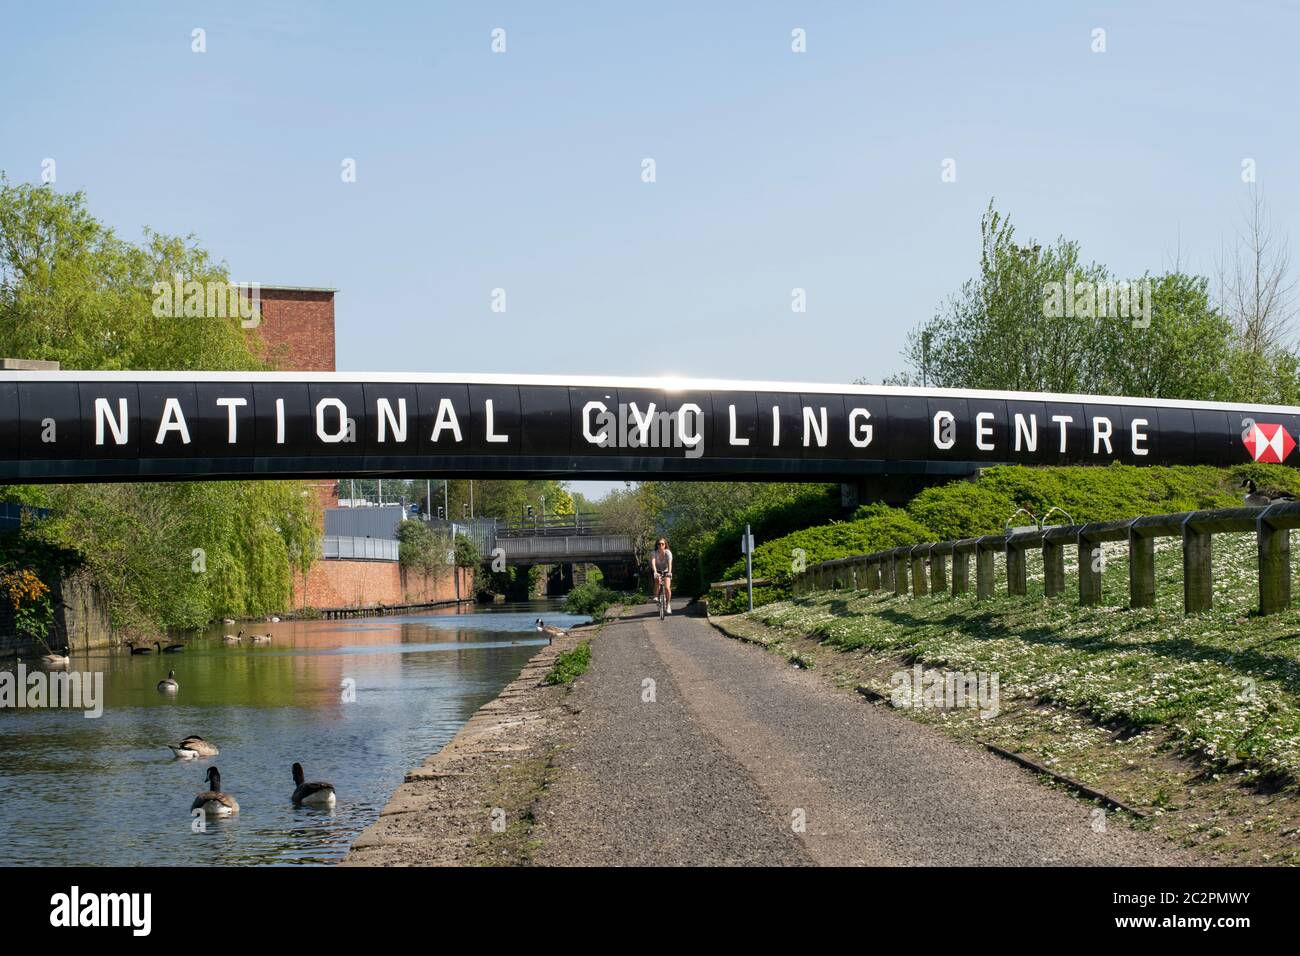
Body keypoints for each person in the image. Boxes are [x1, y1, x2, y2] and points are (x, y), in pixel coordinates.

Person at [651, 537, 673, 613]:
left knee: (667, 587)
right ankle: (656, 596)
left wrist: (669, 572)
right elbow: (653, 563)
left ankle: (668, 604)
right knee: (657, 581)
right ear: (657, 545)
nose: (660, 545)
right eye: (659, 544)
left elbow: (670, 563)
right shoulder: (654, 552)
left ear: (665, 545)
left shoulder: (668, 552)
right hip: (657, 571)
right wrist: (655, 572)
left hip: (666, 571)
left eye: (662, 544)